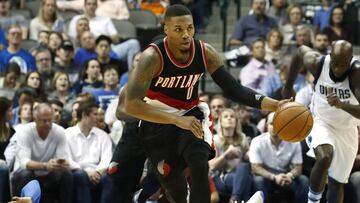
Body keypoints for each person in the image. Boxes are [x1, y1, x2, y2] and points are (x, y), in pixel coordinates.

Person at [119, 4, 287, 203]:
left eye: (189, 28)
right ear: (166, 29)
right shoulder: (152, 57)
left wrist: (275, 105)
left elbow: (234, 89)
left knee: (199, 165)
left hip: (190, 115)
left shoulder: (204, 52)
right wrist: (174, 119)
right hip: (156, 122)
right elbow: (130, 105)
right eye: (178, 29)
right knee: (177, 191)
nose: (186, 35)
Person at [283, 40, 360, 203]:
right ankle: (313, 201)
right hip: (320, 121)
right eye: (335, 64)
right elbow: (299, 52)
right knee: (325, 156)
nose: (339, 69)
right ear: (330, 56)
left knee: (337, 183)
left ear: (351, 59)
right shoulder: (317, 62)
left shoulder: (357, 74)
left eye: (344, 65)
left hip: (347, 129)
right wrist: (288, 86)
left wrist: (342, 105)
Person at [11, 103, 73, 202]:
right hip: (27, 172)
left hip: (49, 173)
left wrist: (60, 164)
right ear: (35, 119)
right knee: (25, 174)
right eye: (44, 121)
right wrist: (45, 165)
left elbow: (63, 157)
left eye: (50, 120)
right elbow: (24, 162)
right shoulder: (25, 131)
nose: (48, 123)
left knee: (67, 174)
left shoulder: (59, 131)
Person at [249, 112, 309, 203]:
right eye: (271, 123)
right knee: (258, 180)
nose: (274, 127)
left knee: (303, 180)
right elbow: (255, 168)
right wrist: (274, 177)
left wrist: (290, 176)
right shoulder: (257, 141)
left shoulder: (294, 141)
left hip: (286, 178)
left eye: (278, 123)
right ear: (266, 125)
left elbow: (298, 167)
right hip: (267, 178)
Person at [66, 101, 112, 203]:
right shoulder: (67, 134)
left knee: (109, 178)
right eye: (95, 114)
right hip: (77, 170)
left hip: (99, 172)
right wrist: (87, 172)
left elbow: (107, 159)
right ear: (84, 115)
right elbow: (67, 159)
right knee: (80, 176)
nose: (98, 117)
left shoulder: (103, 135)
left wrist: (98, 173)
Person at [0, 97, 14, 202]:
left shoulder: (10, 130)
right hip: (2, 165)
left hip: (6, 163)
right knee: (3, 169)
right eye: (9, 110)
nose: (12, 113)